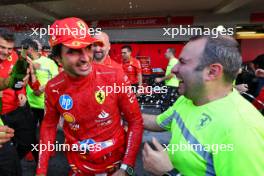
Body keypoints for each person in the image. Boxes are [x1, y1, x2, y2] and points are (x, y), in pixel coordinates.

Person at [142, 36, 264, 176]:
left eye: (183, 62)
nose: (174, 69)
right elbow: (159, 122)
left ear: (212, 72)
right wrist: (121, 111)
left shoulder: (242, 129)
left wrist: (169, 172)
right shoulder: (188, 99)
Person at [36, 17, 143, 176]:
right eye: (73, 51)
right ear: (58, 59)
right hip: (78, 165)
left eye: (88, 47)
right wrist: (41, 171)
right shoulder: (53, 87)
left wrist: (126, 168)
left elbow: (135, 121)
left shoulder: (115, 76)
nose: (85, 58)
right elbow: (48, 126)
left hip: (115, 165)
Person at [155, 48, 180, 112]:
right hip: (171, 86)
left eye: (166, 52)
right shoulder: (172, 61)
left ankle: (164, 120)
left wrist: (161, 79)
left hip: (172, 86)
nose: (165, 54)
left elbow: (171, 74)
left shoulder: (174, 61)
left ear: (170, 53)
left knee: (166, 105)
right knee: (168, 105)